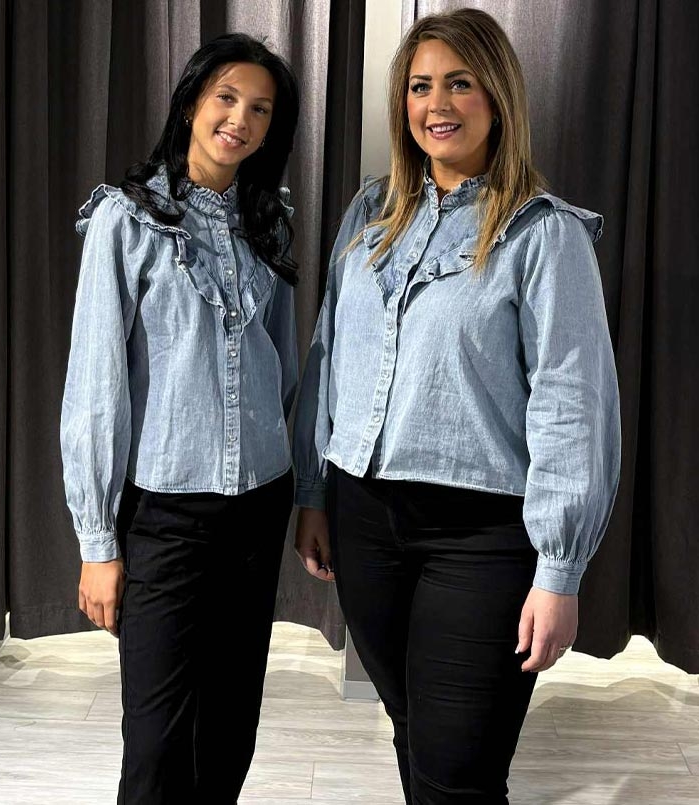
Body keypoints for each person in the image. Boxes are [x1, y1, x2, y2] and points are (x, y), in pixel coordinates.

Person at [292, 8, 620, 804]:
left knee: (459, 771)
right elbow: (330, 354)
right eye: (419, 86)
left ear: (497, 96)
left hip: (482, 538)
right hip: (365, 519)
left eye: (459, 83)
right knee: (413, 731)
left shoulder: (544, 235)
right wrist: (313, 490)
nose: (436, 103)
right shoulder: (369, 213)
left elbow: (572, 406)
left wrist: (560, 570)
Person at [60, 33, 300, 805]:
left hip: (258, 509)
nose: (241, 120)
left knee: (228, 732)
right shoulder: (125, 221)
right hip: (164, 517)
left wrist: (301, 488)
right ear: (192, 100)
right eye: (227, 98)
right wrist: (98, 541)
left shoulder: (269, 222)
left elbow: (284, 371)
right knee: (157, 746)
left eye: (260, 109)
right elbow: (97, 389)